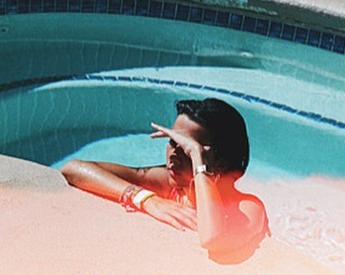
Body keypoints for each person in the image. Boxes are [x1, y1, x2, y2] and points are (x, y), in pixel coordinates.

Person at [61, 98, 269, 264]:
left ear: (220, 160)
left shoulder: (248, 207)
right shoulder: (172, 186)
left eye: (186, 147)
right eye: (172, 142)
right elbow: (73, 169)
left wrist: (199, 160)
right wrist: (147, 199)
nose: (174, 154)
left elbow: (212, 239)